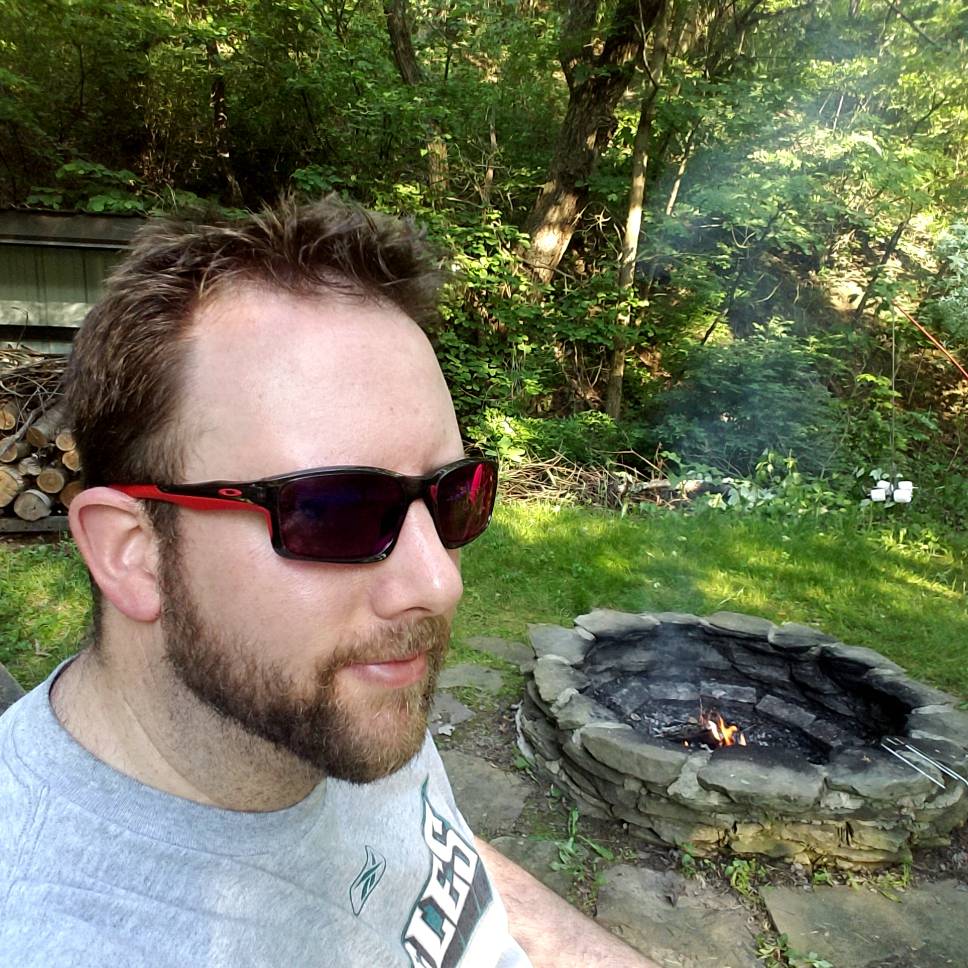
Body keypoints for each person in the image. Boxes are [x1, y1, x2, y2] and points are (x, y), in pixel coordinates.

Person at [0, 198, 656, 967]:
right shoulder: (64, 936)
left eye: (454, 494)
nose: (437, 582)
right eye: (336, 509)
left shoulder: (331, 696)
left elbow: (435, 863)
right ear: (130, 553)